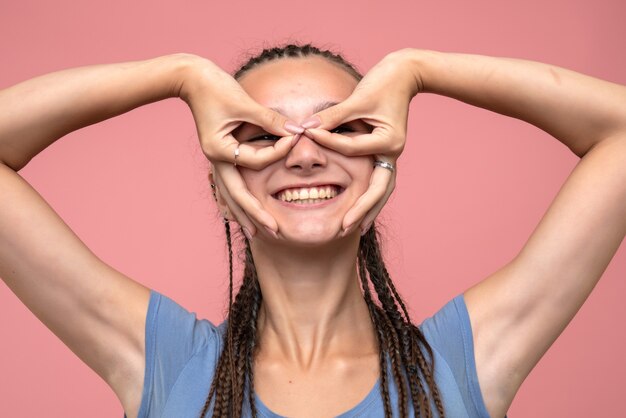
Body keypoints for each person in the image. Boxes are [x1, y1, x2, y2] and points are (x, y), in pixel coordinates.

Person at [0, 43, 624, 418]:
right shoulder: (163, 360)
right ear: (221, 184)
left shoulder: (464, 361)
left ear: (385, 163)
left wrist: (418, 70)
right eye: (262, 135)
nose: (303, 155)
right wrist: (179, 76)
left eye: (342, 129)